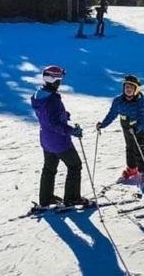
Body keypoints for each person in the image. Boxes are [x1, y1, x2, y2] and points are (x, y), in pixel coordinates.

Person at [31, 65, 88, 208]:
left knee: (49, 168)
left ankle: (46, 198)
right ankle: (72, 199)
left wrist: (64, 115)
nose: (60, 82)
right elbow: (54, 123)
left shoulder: (39, 95)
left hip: (46, 140)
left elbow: (47, 116)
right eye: (59, 79)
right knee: (75, 165)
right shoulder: (52, 100)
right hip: (59, 141)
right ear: (54, 80)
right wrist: (71, 131)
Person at [96, 75, 144, 185]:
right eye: (126, 88)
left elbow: (143, 118)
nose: (128, 90)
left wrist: (137, 128)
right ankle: (132, 168)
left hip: (140, 130)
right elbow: (112, 114)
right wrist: (103, 124)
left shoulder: (140, 102)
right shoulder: (118, 101)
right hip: (126, 128)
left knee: (138, 149)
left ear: (136, 90)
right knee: (129, 148)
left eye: (131, 88)